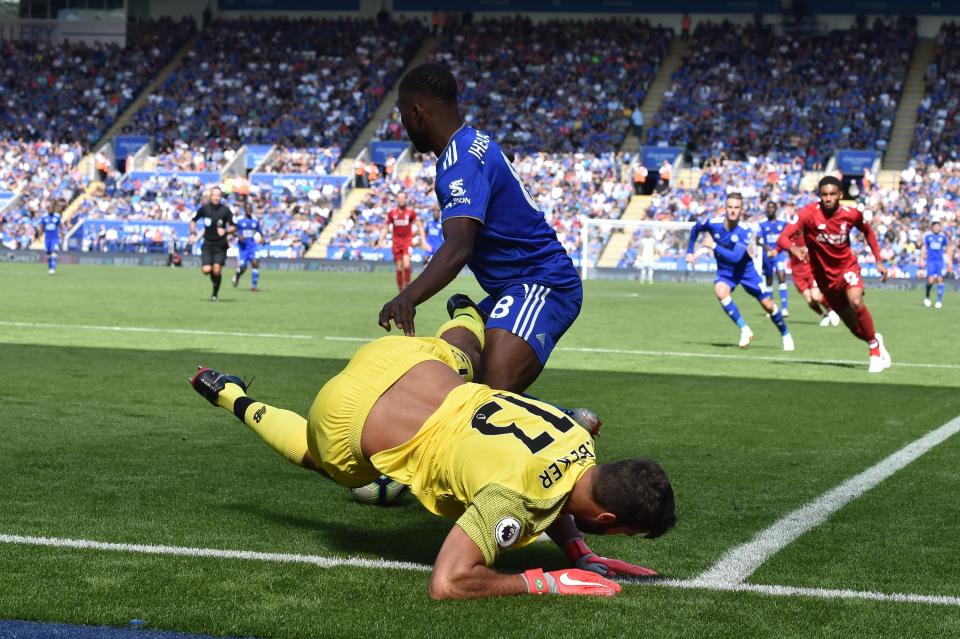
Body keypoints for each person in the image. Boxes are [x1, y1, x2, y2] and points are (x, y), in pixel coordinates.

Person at [190, 306, 675, 600]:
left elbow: (560, 488)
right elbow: (449, 583)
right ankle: (231, 396)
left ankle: (465, 312)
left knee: (463, 359)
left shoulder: (580, 435)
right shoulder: (511, 503)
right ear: (608, 518)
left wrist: (580, 552)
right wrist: (549, 581)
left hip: (401, 359)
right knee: (320, 460)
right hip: (343, 419)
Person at [379, 63, 584, 395]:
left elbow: (460, 246)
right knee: (457, 379)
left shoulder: (459, 164)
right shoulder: (473, 141)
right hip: (512, 288)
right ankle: (564, 418)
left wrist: (408, 297)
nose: (402, 125)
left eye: (403, 115)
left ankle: (568, 423)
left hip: (542, 282)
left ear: (417, 112)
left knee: (493, 389)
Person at [777, 176, 891, 373]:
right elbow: (783, 238)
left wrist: (878, 260)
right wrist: (794, 249)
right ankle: (875, 339)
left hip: (847, 268)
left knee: (856, 302)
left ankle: (873, 350)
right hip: (824, 278)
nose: (828, 198)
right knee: (853, 327)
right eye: (824, 195)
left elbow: (868, 232)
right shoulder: (808, 214)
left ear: (840, 195)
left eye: (832, 194)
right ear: (819, 196)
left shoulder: (851, 214)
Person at [686, 192, 794, 351]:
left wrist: (714, 246)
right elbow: (696, 228)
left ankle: (785, 334)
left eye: (736, 207)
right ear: (725, 208)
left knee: (768, 305)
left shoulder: (745, 230)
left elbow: (736, 257)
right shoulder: (713, 223)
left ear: (741, 210)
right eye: (729, 207)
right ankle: (745, 329)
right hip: (725, 272)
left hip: (746, 271)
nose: (732, 211)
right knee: (720, 291)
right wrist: (690, 251)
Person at [779, 224, 839, 327]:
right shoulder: (789, 239)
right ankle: (823, 316)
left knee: (816, 295)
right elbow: (779, 245)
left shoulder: (809, 235)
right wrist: (774, 252)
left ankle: (831, 310)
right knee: (809, 299)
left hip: (811, 270)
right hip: (797, 274)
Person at [190, 186, 235, 302]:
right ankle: (214, 281)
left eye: (218, 195)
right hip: (208, 244)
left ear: (221, 197)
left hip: (220, 245)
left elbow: (234, 226)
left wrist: (225, 231)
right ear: (210, 196)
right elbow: (193, 220)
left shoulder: (225, 210)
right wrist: (192, 233)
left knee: (216, 270)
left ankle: (215, 294)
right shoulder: (204, 209)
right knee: (206, 270)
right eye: (214, 195)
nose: (216, 197)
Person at [757, 201, 790, 316]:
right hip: (767, 256)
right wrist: (767, 249)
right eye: (768, 208)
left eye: (772, 207)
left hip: (779, 254)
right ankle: (771, 308)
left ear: (776, 209)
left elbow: (787, 237)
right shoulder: (762, 224)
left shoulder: (782, 223)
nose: (770, 210)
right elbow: (757, 240)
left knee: (781, 276)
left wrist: (779, 249)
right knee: (769, 281)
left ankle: (784, 308)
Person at [385, 192, 419, 292]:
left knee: (407, 265)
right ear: (397, 199)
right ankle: (401, 291)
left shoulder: (411, 213)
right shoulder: (392, 213)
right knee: (399, 268)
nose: (401, 200)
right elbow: (385, 226)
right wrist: (381, 239)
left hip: (407, 242)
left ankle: (407, 289)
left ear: (406, 199)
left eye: (403, 198)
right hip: (396, 243)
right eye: (399, 198)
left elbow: (419, 225)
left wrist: (423, 240)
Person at [232, 210, 265, 292]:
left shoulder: (255, 222)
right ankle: (237, 275)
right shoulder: (240, 222)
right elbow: (233, 231)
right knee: (243, 267)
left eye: (250, 209)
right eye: (247, 209)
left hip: (252, 247)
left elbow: (260, 232)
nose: (249, 211)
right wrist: (239, 236)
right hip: (243, 248)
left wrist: (262, 239)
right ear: (245, 210)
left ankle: (254, 286)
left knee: (255, 263)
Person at [921, 219, 950, 308]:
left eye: (938, 225)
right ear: (932, 227)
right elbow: (924, 247)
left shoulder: (943, 237)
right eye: (934, 225)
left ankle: (939, 301)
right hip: (930, 261)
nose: (936, 227)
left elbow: (948, 247)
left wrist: (949, 260)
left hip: (940, 261)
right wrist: (922, 259)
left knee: (940, 279)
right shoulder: (928, 236)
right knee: (931, 280)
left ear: (940, 227)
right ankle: (927, 296)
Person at [39, 201, 64, 275]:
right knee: (48, 254)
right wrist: (39, 235)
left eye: (52, 208)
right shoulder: (44, 217)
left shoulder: (57, 216)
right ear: (48, 209)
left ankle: (52, 269)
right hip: (47, 238)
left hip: (55, 238)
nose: (51, 210)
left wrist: (62, 233)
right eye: (50, 209)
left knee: (54, 252)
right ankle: (50, 268)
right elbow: (41, 226)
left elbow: (60, 225)